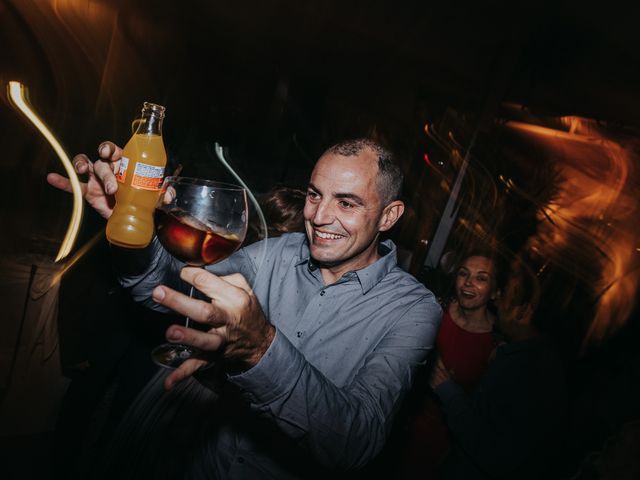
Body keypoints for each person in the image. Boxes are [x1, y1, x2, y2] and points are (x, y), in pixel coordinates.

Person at [47, 137, 442, 478]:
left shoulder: (413, 311)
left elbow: (356, 441)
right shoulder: (275, 254)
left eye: (347, 203)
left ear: (389, 215)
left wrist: (261, 350)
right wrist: (131, 225)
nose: (319, 216)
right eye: (314, 194)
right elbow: (173, 285)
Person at [429, 252, 569, 480]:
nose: (499, 301)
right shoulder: (510, 353)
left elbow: (494, 449)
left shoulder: (524, 365)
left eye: (505, 297)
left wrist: (446, 388)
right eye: (463, 273)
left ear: (524, 310)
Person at [390, 251, 503, 478]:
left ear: (495, 292)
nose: (469, 282)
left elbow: (489, 417)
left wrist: (448, 389)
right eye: (464, 273)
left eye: (481, 278)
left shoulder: (497, 346)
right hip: (400, 421)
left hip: (445, 443)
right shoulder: (434, 311)